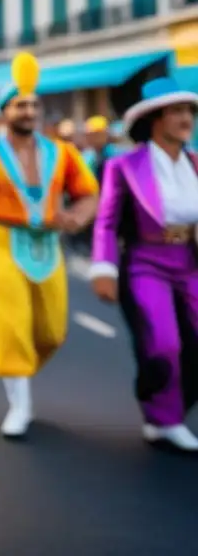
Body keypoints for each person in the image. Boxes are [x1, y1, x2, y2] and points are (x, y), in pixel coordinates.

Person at [0, 53, 98, 438]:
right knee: (12, 325)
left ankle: (21, 376)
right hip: (4, 242)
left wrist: (79, 217)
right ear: (4, 113)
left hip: (50, 245)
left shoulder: (62, 152)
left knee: (52, 330)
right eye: (21, 104)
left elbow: (88, 193)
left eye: (34, 104)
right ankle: (20, 404)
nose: (29, 110)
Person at [90, 77, 198, 452]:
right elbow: (106, 221)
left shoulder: (196, 163)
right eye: (178, 112)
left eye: (190, 111)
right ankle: (164, 419)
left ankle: (171, 407)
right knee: (164, 343)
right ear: (155, 119)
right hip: (146, 263)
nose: (187, 119)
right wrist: (104, 267)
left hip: (190, 260)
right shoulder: (124, 166)